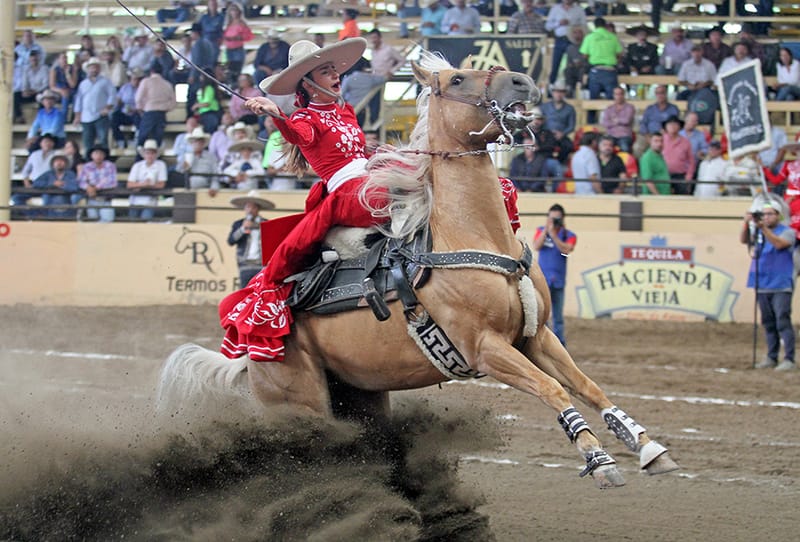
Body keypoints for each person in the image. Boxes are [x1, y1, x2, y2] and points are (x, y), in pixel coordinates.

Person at [217, 37, 380, 362]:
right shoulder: (305, 119)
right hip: (349, 193)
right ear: (307, 82)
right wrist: (277, 114)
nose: (336, 75)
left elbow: (358, 151)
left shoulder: (346, 111)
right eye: (325, 71)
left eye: (334, 69)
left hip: (369, 178)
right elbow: (297, 135)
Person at [740, 202, 796, 371]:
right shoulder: (757, 232)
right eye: (763, 214)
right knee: (768, 322)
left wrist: (763, 228)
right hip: (762, 282)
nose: (766, 217)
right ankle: (771, 357)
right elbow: (743, 240)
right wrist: (746, 224)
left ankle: (789, 359)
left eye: (770, 214)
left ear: (778, 215)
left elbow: (779, 244)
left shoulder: (788, 232)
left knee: (782, 321)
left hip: (780, 283)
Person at [533, 203, 576, 346]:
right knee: (542, 314)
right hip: (542, 281)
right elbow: (536, 246)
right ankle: (544, 344)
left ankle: (559, 344)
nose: (554, 221)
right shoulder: (541, 231)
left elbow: (566, 250)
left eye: (557, 219)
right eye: (551, 218)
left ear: (563, 219)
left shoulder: (568, 235)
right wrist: (547, 230)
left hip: (558, 281)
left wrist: (554, 235)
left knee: (558, 317)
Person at [228, 190, 273, 289]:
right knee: (245, 292)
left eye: (253, 207)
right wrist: (243, 229)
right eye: (248, 206)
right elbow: (231, 241)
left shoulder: (266, 224)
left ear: (258, 208)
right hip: (245, 264)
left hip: (261, 265)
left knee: (261, 290)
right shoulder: (239, 224)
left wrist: (258, 227)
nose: (250, 210)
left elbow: (272, 242)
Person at [72, 57, 116, 153]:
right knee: (87, 142)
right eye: (92, 67)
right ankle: (88, 162)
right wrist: (77, 115)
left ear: (99, 69)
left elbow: (112, 95)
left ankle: (105, 162)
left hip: (100, 115)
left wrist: (107, 107)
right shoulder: (83, 84)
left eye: (96, 67)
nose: (94, 69)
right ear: (88, 69)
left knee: (103, 140)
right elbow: (79, 100)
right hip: (86, 116)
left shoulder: (106, 81)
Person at [580, 17, 622, 110]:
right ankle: (612, 120)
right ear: (605, 25)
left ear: (595, 26)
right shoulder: (612, 37)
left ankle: (590, 122)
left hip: (596, 70)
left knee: (593, 100)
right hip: (610, 70)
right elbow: (619, 54)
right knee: (612, 99)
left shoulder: (589, 37)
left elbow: (584, 55)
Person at [135, 62, 177, 148]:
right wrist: (166, 108)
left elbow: (138, 98)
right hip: (161, 114)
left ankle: (140, 157)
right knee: (158, 138)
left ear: (151, 71)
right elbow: (173, 102)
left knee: (143, 137)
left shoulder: (146, 82)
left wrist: (140, 108)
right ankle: (157, 157)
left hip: (149, 112)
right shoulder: (167, 84)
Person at [545, 0, 586, 86]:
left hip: (573, 40)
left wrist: (573, 25)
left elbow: (584, 25)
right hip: (560, 39)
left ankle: (573, 87)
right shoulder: (555, 9)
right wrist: (558, 23)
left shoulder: (579, 9)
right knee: (555, 64)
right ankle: (551, 86)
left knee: (574, 65)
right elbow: (548, 26)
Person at [74, 145, 118, 222]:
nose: (98, 156)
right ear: (91, 155)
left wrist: (96, 188)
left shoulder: (110, 165)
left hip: (105, 199)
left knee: (107, 221)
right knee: (93, 221)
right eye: (96, 153)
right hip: (91, 199)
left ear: (104, 155)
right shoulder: (87, 166)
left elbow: (112, 182)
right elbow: (81, 181)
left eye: (101, 153)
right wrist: (88, 187)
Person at [127, 139, 167, 221]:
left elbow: (162, 184)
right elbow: (129, 184)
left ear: (156, 154)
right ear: (144, 154)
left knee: (145, 222)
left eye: (152, 153)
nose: (150, 155)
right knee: (132, 223)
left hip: (150, 201)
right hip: (135, 200)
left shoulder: (161, 165)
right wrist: (144, 185)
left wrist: (140, 185)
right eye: (148, 153)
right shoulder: (137, 165)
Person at [32, 153, 80, 219]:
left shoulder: (70, 174)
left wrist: (62, 185)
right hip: (49, 199)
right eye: (57, 161)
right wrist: (52, 183)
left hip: (66, 198)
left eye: (61, 161)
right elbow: (36, 183)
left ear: (66, 163)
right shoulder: (48, 173)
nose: (59, 163)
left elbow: (75, 187)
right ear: (53, 164)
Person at [539, 80, 575, 163]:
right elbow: (540, 121)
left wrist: (562, 133)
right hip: (546, 134)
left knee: (569, 146)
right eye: (557, 91)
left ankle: (561, 163)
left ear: (565, 93)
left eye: (562, 92)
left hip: (561, 135)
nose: (559, 94)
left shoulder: (570, 109)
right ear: (553, 92)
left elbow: (571, 126)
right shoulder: (544, 107)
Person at [661, 115, 695, 195]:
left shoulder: (685, 142)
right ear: (666, 127)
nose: (672, 126)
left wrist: (689, 176)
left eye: (675, 124)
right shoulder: (661, 140)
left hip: (680, 176)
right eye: (670, 124)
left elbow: (691, 161)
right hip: (663, 174)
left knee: (682, 198)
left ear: (679, 127)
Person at [13, 49, 49, 124]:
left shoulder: (44, 68)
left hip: (40, 91)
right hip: (30, 93)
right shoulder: (26, 69)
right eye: (32, 59)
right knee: (15, 96)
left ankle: (41, 120)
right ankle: (19, 117)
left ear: (38, 58)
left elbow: (45, 84)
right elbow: (24, 83)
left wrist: (35, 91)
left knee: (43, 97)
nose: (34, 60)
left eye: (35, 58)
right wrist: (25, 91)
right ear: (30, 59)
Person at [111, 68, 143, 150]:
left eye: (138, 79)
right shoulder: (125, 87)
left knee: (139, 118)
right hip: (125, 112)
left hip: (138, 112)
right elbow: (119, 99)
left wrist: (136, 109)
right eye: (134, 79)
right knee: (113, 117)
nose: (136, 81)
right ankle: (120, 140)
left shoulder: (144, 88)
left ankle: (136, 140)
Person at [222, 2, 254, 83]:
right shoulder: (227, 23)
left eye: (235, 10)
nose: (234, 12)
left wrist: (239, 37)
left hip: (237, 49)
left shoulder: (242, 23)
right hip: (229, 49)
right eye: (232, 10)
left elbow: (249, 36)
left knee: (237, 71)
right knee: (230, 71)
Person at [601, 86, 635, 152]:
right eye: (616, 94)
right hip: (611, 135)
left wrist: (615, 121)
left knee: (624, 148)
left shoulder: (630, 107)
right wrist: (619, 121)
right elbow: (605, 123)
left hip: (624, 136)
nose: (619, 96)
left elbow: (627, 120)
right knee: (604, 147)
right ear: (613, 95)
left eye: (620, 94)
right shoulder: (609, 108)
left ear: (624, 95)